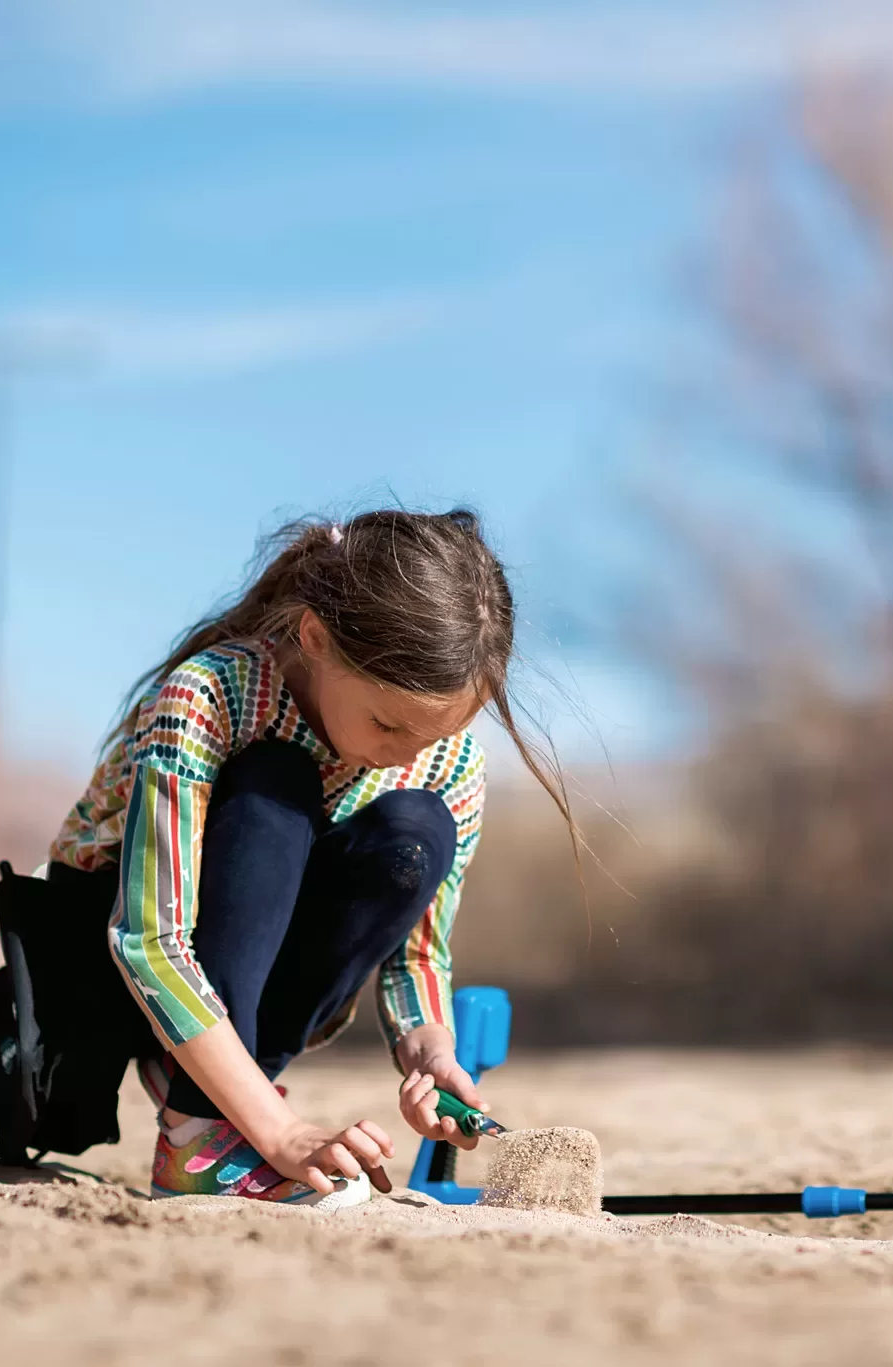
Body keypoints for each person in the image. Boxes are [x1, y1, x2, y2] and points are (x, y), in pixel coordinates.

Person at [39, 508, 570, 1207]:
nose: (408, 754)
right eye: (388, 723)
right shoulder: (207, 696)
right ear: (316, 637)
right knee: (276, 781)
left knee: (419, 829)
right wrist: (283, 1133)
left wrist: (428, 1048)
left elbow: (415, 955)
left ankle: (223, 1092)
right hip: (107, 968)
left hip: (254, 988)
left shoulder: (445, 762)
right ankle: (202, 1130)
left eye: (437, 733)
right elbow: (148, 943)